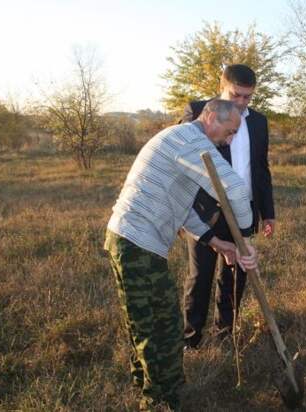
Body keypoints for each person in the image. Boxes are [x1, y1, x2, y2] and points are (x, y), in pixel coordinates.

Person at [104, 99, 259, 411]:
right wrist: (243, 237)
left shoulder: (182, 140)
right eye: (229, 132)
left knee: (151, 322)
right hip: (135, 244)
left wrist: (218, 242)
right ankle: (160, 400)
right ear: (212, 117)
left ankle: (154, 385)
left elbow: (184, 208)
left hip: (134, 242)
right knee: (159, 327)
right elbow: (238, 192)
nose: (229, 140)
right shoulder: (191, 141)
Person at [179, 64, 275, 349]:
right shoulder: (198, 112)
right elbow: (182, 160)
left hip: (243, 209)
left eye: (248, 98)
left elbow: (261, 168)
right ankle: (191, 339)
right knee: (201, 275)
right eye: (236, 96)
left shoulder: (258, 122)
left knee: (237, 273)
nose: (242, 103)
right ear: (222, 87)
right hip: (205, 213)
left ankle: (225, 334)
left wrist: (267, 212)